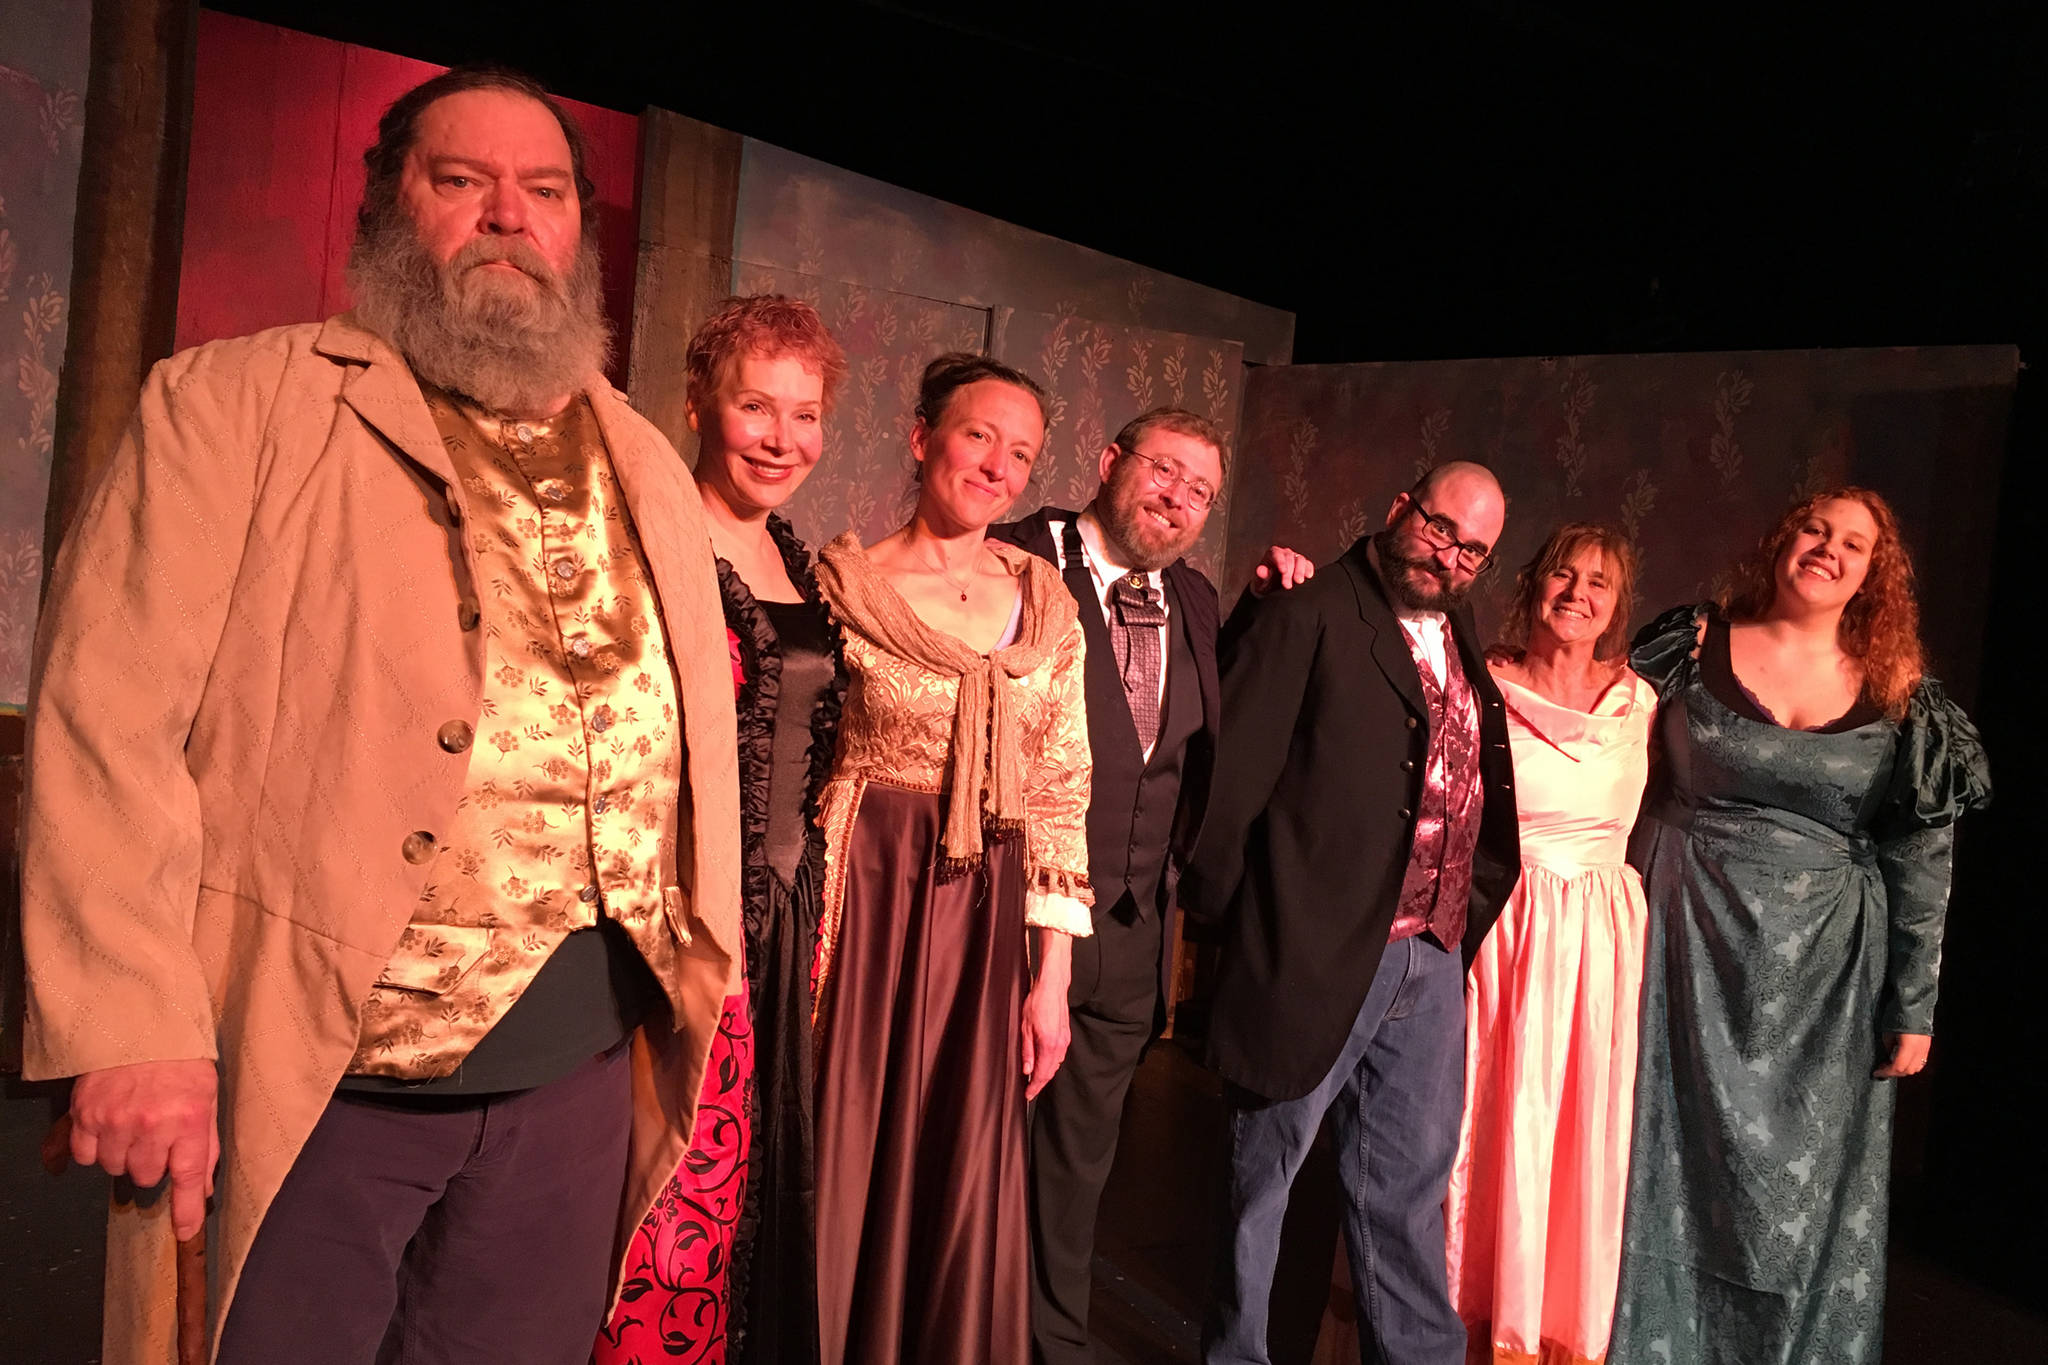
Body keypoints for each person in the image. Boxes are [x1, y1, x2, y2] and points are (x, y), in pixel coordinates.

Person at [20, 67, 740, 1364]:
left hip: (577, 1070)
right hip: (314, 1077)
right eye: (462, 183)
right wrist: (131, 1024)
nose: (507, 217)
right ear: (389, 209)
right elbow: (103, 725)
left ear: (579, 230)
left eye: (544, 192)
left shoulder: (643, 459)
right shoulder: (234, 404)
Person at [1609, 488, 1990, 1365]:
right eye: (1815, 529)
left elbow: (1924, 861)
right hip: (1682, 944)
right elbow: (1603, 745)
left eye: (1853, 544)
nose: (1828, 549)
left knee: (1796, 1206)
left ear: (1872, 575)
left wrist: (1915, 1003)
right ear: (1783, 540)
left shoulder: (1903, 693)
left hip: (1825, 979)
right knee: (1658, 1169)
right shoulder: (1693, 643)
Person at [1184, 461, 1522, 1365]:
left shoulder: (1459, 627)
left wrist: (1459, 919)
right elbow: (1231, 788)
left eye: (1472, 550)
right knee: (1262, 1183)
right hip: (1315, 950)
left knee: (1407, 1195)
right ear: (1398, 505)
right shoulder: (1310, 611)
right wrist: (1233, 940)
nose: (1449, 555)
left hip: (1432, 955)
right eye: (1440, 527)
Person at [811, 353, 1094, 1364]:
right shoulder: (843, 585)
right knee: (849, 1144)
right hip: (865, 897)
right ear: (922, 434)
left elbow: (1061, 790)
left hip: (984, 908)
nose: (997, 468)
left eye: (1019, 453)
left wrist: (1049, 975)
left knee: (960, 1155)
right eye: (979, 436)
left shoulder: (1046, 607)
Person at [596, 296, 846, 1365]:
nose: (781, 438)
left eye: (804, 414)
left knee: (758, 1184)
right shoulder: (653, 541)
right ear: (697, 403)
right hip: (689, 911)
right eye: (756, 406)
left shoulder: (801, 559)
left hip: (788, 916)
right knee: (677, 1184)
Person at [989, 407, 1226, 1365]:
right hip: (1011, 916)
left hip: (1131, 935)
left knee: (1080, 1163)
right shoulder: (1016, 559)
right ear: (1109, 462)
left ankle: (1053, 1341)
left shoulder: (1201, 600)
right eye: (1163, 471)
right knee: (979, 1148)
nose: (1176, 498)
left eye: (1199, 489)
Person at [1442, 523, 1655, 1365]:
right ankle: (1454, 1321)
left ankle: (1543, 1330)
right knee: (1481, 1123)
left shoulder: (1643, 701)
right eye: (1563, 575)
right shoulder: (1481, 684)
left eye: (1599, 583)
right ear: (1532, 585)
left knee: (1571, 1137)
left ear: (1616, 606)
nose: (1578, 593)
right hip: (1502, 928)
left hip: (1597, 950)